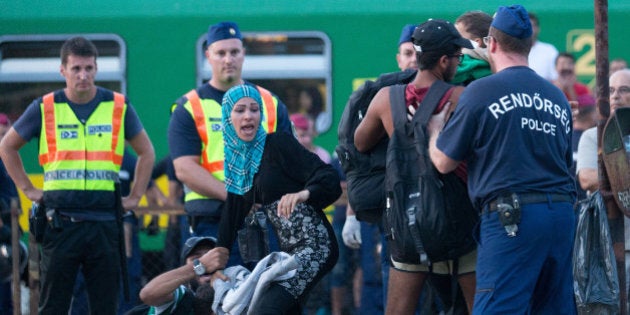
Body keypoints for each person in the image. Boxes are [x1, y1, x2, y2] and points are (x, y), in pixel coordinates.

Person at [428, 5, 576, 313]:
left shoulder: (482, 91)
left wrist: (434, 131)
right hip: (561, 216)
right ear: (528, 46)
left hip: (513, 219)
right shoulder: (556, 97)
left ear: (491, 44)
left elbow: (444, 162)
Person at [0, 36, 155, 314]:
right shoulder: (45, 108)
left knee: (105, 307)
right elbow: (7, 147)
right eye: (76, 69)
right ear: (63, 71)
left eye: (88, 68)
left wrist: (135, 197)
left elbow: (147, 153)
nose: (83, 75)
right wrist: (28, 189)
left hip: (105, 224)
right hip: (60, 223)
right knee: (53, 307)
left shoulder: (118, 106)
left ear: (96, 69)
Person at [354, 19, 476, 314]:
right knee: (482, 308)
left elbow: (360, 143)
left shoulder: (386, 98)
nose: (459, 64)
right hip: (457, 223)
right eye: (458, 58)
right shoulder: (460, 98)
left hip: (408, 222)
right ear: (444, 60)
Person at [167, 22, 292, 267]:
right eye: (221, 53)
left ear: (243, 53)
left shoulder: (270, 103)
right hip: (211, 219)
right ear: (208, 56)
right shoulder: (189, 108)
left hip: (264, 220)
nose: (228, 59)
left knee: (267, 298)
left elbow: (288, 160)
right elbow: (184, 169)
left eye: (234, 52)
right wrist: (237, 198)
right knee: (215, 298)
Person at [215, 84, 341, 314]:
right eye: (240, 110)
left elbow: (328, 177)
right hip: (287, 254)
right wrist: (219, 256)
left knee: (265, 310)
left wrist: (303, 194)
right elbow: (233, 210)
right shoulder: (238, 162)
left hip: (316, 245)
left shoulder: (278, 143)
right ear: (227, 116)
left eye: (254, 109)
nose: (248, 116)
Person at [139, 236, 228, 315]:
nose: (209, 265)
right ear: (185, 268)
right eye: (196, 258)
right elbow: (148, 294)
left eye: (212, 259)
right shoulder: (179, 296)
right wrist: (200, 265)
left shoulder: (232, 294)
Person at [0, 113, 21, 314]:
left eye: (5, 135)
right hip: (3, 230)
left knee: (7, 293)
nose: (2, 140)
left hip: (9, 227)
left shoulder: (7, 159)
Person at [453, 10, 493, 86]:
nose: (453, 41)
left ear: (477, 43)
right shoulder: (501, 66)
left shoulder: (460, 64)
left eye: (458, 37)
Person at [571, 93, 596, 201]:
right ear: (592, 115)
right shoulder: (595, 141)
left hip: (565, 203)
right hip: (585, 206)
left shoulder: (562, 138)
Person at [528, 12, 559, 81]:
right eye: (526, 26)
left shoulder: (549, 50)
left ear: (538, 29)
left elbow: (556, 79)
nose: (529, 30)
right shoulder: (513, 50)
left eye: (532, 26)